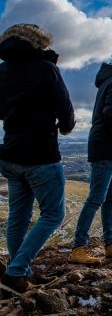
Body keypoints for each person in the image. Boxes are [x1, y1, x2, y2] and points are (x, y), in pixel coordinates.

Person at [0, 24, 75, 293]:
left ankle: (19, 270)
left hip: (9, 154)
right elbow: (65, 110)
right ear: (38, 44)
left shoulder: (2, 70)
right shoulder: (46, 70)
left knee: (18, 218)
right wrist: (65, 126)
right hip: (41, 155)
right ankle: (17, 270)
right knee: (54, 214)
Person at [69, 50, 112, 265]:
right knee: (97, 198)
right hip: (107, 147)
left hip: (108, 148)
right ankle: (78, 247)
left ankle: (110, 245)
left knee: (109, 198)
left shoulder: (111, 80)